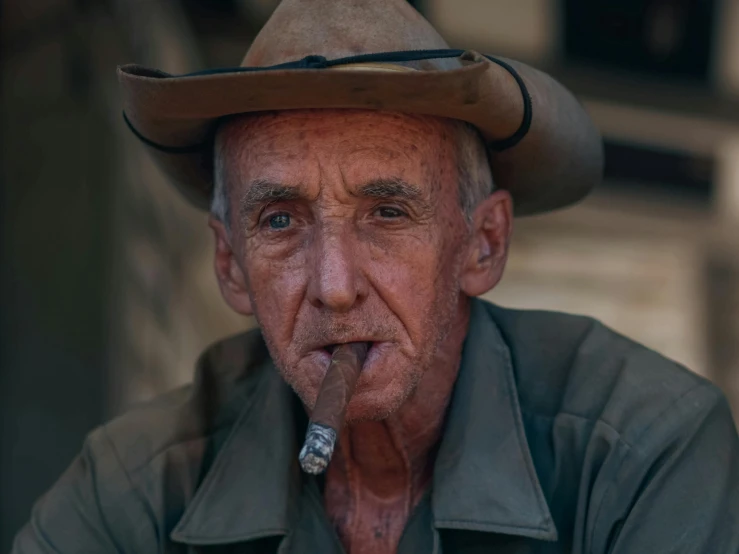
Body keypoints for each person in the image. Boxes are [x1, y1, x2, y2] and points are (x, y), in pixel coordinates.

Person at [13, 0, 739, 553]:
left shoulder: (645, 448)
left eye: (387, 212)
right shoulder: (134, 484)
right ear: (230, 266)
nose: (333, 286)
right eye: (279, 222)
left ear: (481, 246)